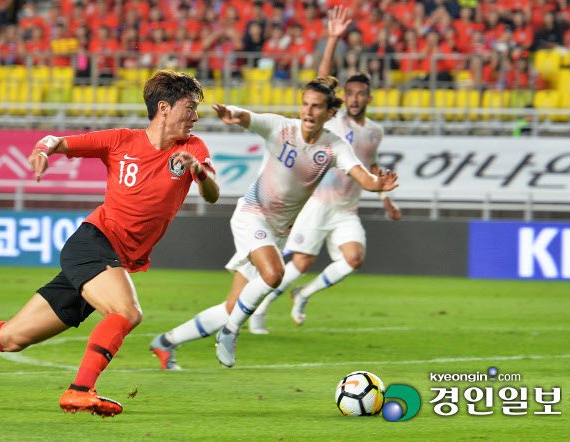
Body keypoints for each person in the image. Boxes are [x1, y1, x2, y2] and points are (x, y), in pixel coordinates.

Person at [0, 70, 219, 417]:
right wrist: (42, 150)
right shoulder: (120, 141)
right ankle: (79, 390)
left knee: (12, 337)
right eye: (189, 108)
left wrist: (199, 171)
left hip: (110, 260)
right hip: (93, 244)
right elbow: (55, 140)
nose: (195, 117)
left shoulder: (193, 148)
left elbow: (212, 194)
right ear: (164, 107)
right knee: (126, 312)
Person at [150, 76, 398, 369]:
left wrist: (377, 183)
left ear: (330, 114)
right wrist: (232, 113)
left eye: (316, 107)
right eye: (305, 104)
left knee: (234, 305)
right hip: (252, 215)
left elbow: (364, 177)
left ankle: (165, 342)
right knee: (274, 274)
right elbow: (248, 117)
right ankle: (230, 333)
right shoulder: (282, 128)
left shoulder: (334, 147)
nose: (308, 111)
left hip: (278, 231)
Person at [248, 8, 401, 334]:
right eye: (350, 93)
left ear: (369, 98)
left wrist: (384, 196)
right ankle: (260, 308)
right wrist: (332, 39)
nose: (355, 98)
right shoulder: (333, 121)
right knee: (300, 263)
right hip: (319, 202)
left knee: (354, 258)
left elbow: (370, 166)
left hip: (347, 208)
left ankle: (304, 294)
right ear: (343, 98)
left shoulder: (375, 132)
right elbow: (320, 80)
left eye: (361, 94)